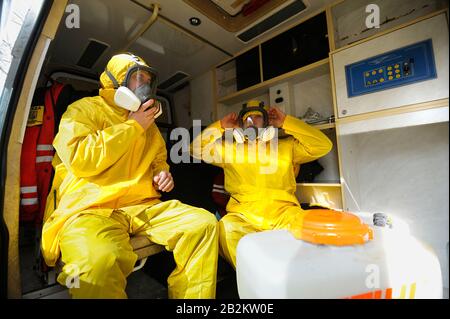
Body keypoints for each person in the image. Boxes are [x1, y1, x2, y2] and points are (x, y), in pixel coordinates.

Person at [41, 53, 218, 299]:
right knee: (99, 262)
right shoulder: (83, 110)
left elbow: (158, 159)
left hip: (142, 206)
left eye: (148, 80)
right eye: (138, 78)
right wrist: (133, 127)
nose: (145, 86)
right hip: (90, 209)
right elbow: (81, 158)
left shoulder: (150, 125)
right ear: (116, 81)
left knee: (203, 224)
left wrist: (162, 174)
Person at [191, 100, 332, 268]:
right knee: (227, 229)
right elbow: (195, 149)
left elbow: (323, 145)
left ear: (267, 121)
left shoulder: (286, 147)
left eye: (257, 116)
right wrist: (220, 125)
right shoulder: (229, 151)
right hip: (244, 216)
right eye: (247, 118)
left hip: (284, 214)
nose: (251, 121)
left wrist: (286, 121)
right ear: (240, 124)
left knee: (313, 230)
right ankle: (258, 281)